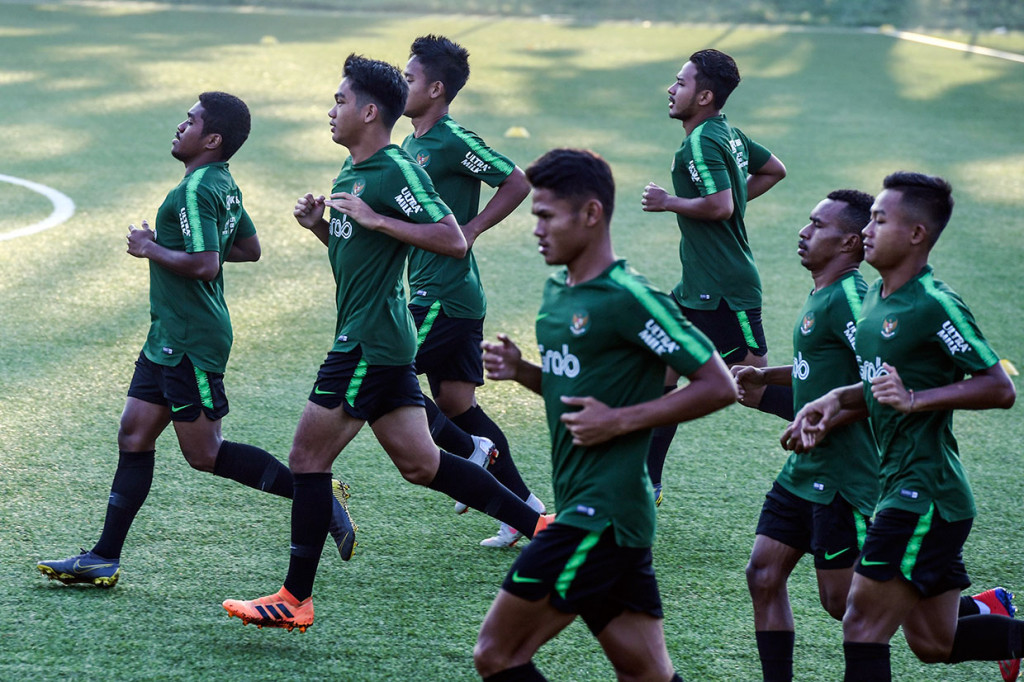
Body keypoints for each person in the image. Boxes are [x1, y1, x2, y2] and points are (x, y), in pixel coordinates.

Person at [221, 55, 551, 633]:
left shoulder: (398, 171)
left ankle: (295, 597)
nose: (331, 110)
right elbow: (357, 261)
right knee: (423, 464)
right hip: (382, 339)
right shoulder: (351, 173)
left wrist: (378, 221)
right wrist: (322, 227)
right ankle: (543, 530)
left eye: (340, 101)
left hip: (365, 344)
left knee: (306, 459)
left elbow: (451, 240)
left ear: (370, 111)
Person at [36, 92, 356, 588]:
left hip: (191, 340)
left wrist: (150, 248)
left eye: (190, 121)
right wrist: (176, 249)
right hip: (166, 334)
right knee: (134, 434)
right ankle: (103, 556)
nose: (178, 127)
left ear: (212, 139)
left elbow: (207, 264)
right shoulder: (221, 184)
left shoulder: (193, 191)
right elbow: (248, 248)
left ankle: (316, 493)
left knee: (204, 455)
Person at [473, 148, 737, 681]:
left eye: (546, 215)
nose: (537, 229)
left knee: (497, 654)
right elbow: (573, 387)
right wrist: (523, 371)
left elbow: (719, 385)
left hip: (601, 516)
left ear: (591, 214)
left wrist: (619, 421)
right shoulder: (557, 292)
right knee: (647, 673)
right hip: (608, 516)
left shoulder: (630, 298)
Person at [781, 172, 1018, 681]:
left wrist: (917, 399)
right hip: (905, 490)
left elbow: (1000, 386)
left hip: (924, 493)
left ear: (915, 234)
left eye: (880, 220)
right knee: (935, 642)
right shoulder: (875, 300)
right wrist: (835, 399)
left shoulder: (934, 303)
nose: (867, 229)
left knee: (861, 625)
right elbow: (878, 389)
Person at [401, 34, 545, 547]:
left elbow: (516, 180)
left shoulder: (452, 139)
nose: (402, 84)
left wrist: (475, 227)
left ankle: (469, 449)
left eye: (410, 77)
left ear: (436, 89)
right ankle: (525, 511)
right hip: (444, 294)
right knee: (457, 401)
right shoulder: (411, 145)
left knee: (387, 373)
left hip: (443, 294)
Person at [732, 189, 879, 680]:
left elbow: (883, 378)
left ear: (849, 242)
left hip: (842, 476)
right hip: (803, 471)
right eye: (808, 221)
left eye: (817, 225)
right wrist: (765, 376)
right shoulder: (823, 291)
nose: (803, 230)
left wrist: (826, 418)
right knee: (763, 573)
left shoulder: (852, 299)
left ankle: (985, 616)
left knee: (845, 605)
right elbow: (816, 366)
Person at [641, 48, 787, 506]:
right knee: (658, 366)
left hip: (725, 290)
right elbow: (773, 170)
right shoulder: (727, 133)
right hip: (697, 289)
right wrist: (731, 197)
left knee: (750, 386)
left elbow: (721, 205)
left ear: (704, 96)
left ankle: (848, 416)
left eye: (680, 83)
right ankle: (647, 482)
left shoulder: (702, 141)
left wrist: (669, 202)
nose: (671, 88)